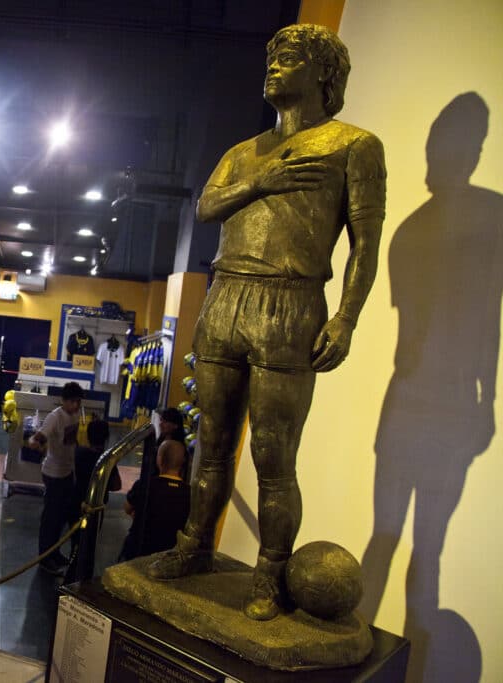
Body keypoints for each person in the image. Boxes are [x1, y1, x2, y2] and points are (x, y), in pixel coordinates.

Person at [146, 23, 386, 621]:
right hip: (226, 294)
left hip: (290, 302)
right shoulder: (243, 152)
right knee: (212, 445)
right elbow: (205, 207)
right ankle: (194, 546)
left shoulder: (353, 146)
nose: (275, 65)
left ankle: (270, 575)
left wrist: (348, 318)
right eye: (272, 55)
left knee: (274, 458)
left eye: (292, 57)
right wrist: (264, 180)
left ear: (323, 75)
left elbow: (364, 244)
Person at [119, 408, 190, 561]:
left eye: (166, 420)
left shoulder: (146, 486)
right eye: (162, 420)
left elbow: (127, 506)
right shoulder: (189, 493)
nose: (162, 423)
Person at [28, 382, 83, 576]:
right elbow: (38, 438)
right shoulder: (55, 417)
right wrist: (35, 443)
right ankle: (45, 558)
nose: (76, 406)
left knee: (60, 517)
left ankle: (55, 551)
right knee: (51, 518)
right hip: (53, 473)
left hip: (67, 472)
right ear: (63, 400)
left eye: (78, 402)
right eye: (72, 402)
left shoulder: (75, 415)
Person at [72, 418, 121, 522]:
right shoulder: (107, 460)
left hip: (76, 503)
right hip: (96, 508)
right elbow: (117, 486)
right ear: (106, 437)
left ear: (88, 436)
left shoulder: (78, 453)